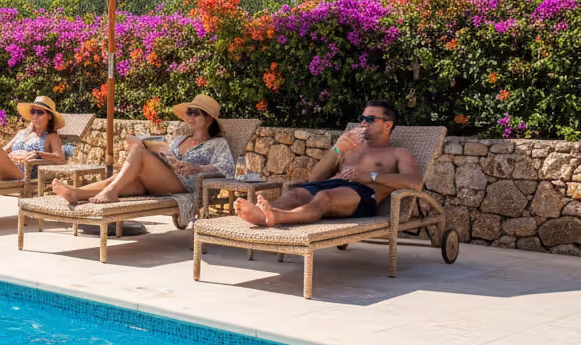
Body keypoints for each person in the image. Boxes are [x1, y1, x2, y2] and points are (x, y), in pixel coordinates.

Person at [235, 99, 422, 227]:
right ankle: (263, 213)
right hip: (332, 185)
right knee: (296, 194)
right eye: (362, 119)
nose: (363, 123)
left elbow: (415, 183)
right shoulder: (348, 147)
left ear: (387, 125)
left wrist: (371, 176)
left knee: (325, 197)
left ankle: (277, 216)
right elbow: (315, 178)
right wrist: (338, 148)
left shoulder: (398, 153)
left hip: (364, 192)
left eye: (370, 119)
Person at [53, 94, 234, 204]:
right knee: (122, 179)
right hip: (165, 179)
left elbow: (228, 168)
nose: (190, 117)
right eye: (189, 112)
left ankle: (111, 191)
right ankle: (76, 192)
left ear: (208, 119)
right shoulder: (180, 139)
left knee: (139, 151)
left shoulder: (217, 143)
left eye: (195, 113)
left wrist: (199, 168)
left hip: (187, 185)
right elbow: (167, 159)